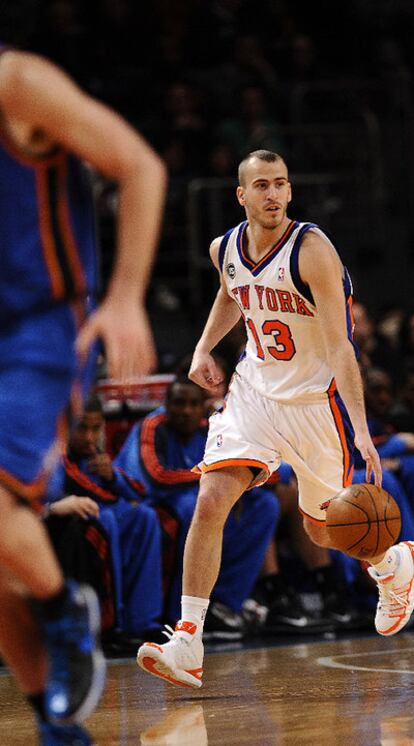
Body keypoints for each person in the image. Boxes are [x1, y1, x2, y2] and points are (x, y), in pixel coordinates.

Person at [137, 149, 414, 690]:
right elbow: (230, 295)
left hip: (316, 404)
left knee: (324, 525)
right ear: (241, 195)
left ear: (290, 191)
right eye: (261, 185)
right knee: (212, 498)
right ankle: (188, 641)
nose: (272, 194)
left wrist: (361, 430)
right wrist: (202, 349)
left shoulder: (312, 251)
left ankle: (391, 566)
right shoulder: (226, 247)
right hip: (253, 394)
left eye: (281, 184)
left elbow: (340, 346)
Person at [0, 43, 166, 744]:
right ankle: (57, 725)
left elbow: (140, 167)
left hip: (41, 335)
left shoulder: (18, 83)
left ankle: (66, 606)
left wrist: (126, 297)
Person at [115, 375, 279, 640]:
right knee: (198, 507)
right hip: (147, 498)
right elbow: (156, 476)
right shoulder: (154, 425)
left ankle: (223, 603)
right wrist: (217, 480)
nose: (186, 411)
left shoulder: (212, 426)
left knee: (264, 505)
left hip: (192, 496)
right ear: (166, 404)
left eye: (193, 404)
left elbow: (268, 472)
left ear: (203, 406)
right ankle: (183, 612)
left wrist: (232, 486)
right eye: (179, 403)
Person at [49, 396, 164, 644]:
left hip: (95, 511)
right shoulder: (55, 449)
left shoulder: (95, 453)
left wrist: (113, 477)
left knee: (145, 517)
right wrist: (115, 492)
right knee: (106, 518)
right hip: (62, 520)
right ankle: (110, 623)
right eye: (82, 428)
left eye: (95, 428)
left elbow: (140, 491)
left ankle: (144, 621)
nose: (90, 437)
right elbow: (87, 488)